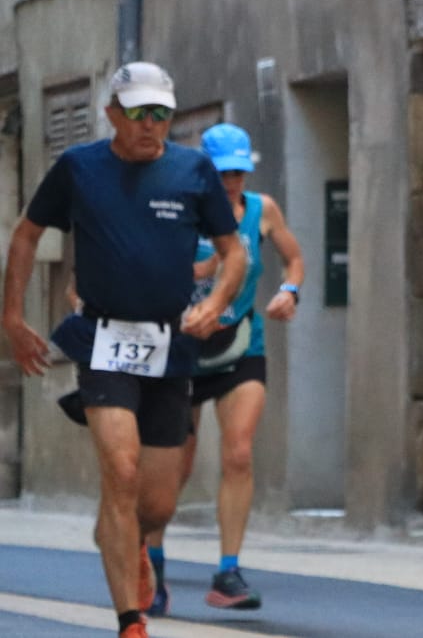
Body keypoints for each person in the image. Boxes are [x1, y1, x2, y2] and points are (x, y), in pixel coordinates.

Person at [1, 62, 244, 638]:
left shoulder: (193, 171)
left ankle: (130, 538)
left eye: (160, 113)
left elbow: (234, 254)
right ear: (113, 114)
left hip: (172, 345)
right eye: (137, 112)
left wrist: (215, 304)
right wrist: (12, 317)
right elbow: (27, 233)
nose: (149, 124)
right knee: (123, 470)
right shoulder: (79, 168)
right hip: (104, 340)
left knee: (156, 504)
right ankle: (130, 621)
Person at [138, 122, 306, 616]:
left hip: (240, 346)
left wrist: (288, 292)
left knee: (238, 453)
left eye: (240, 172)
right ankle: (153, 564)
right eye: (224, 172)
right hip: (184, 350)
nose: (232, 182)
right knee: (175, 466)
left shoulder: (262, 210)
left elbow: (294, 260)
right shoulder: (177, 209)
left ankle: (228, 571)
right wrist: (205, 270)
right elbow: (147, 267)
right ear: (205, 170)